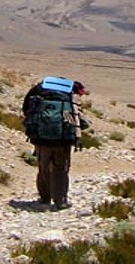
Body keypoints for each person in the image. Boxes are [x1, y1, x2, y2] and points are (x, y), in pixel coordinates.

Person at [22, 77, 89, 210]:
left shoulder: (39, 91)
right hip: (63, 139)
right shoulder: (69, 95)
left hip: (41, 138)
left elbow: (26, 110)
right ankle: (61, 200)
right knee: (61, 168)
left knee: (43, 168)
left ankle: (45, 199)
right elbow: (77, 118)